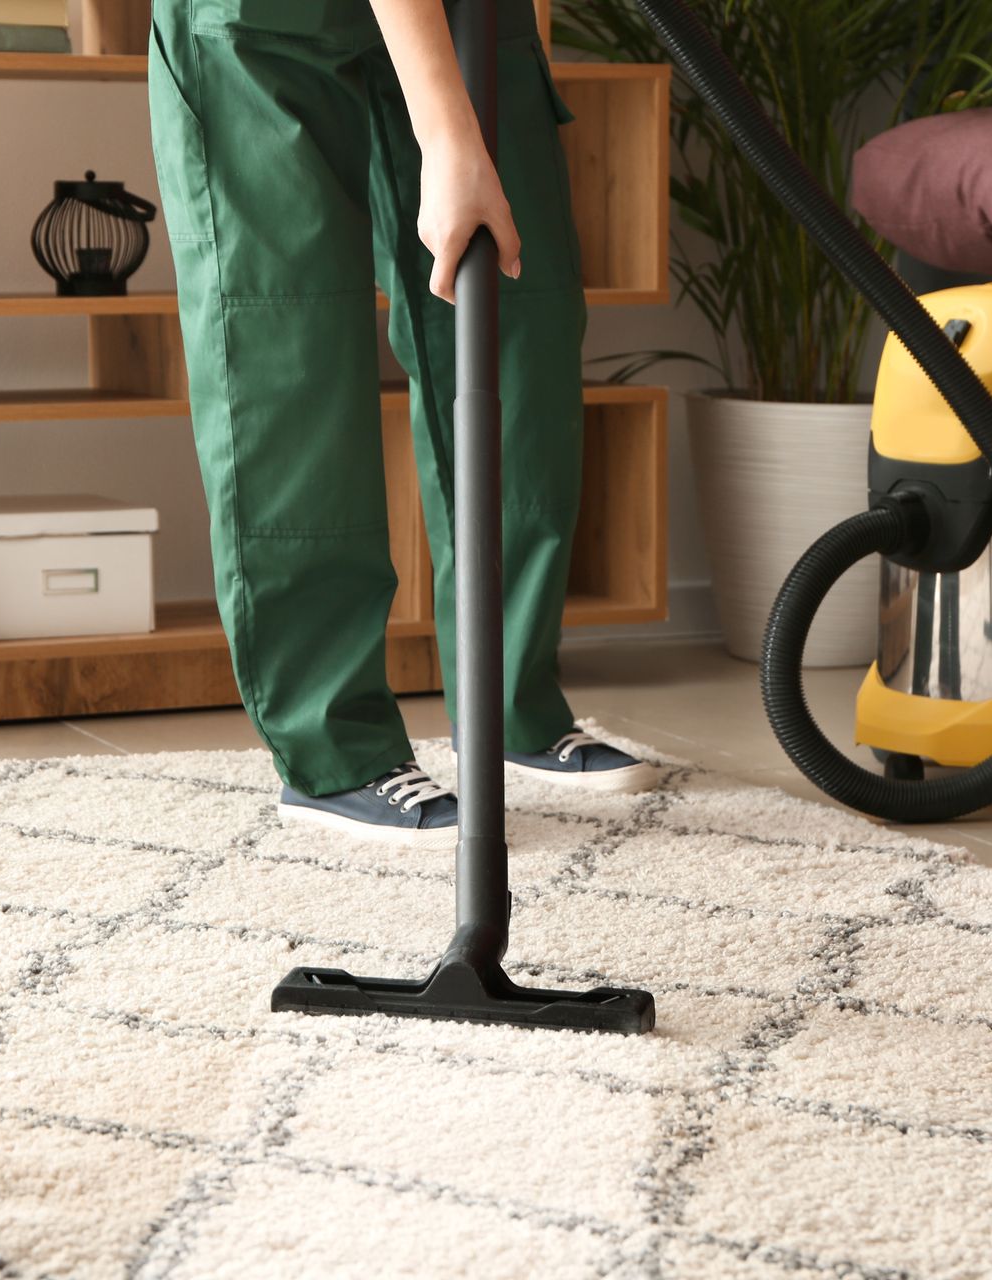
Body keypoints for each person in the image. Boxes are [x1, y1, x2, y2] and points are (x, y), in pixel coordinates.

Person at [147, 0, 656, 850]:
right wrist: (450, 141)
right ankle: (334, 748)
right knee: (292, 349)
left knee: (516, 321)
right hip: (264, 25)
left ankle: (508, 704)